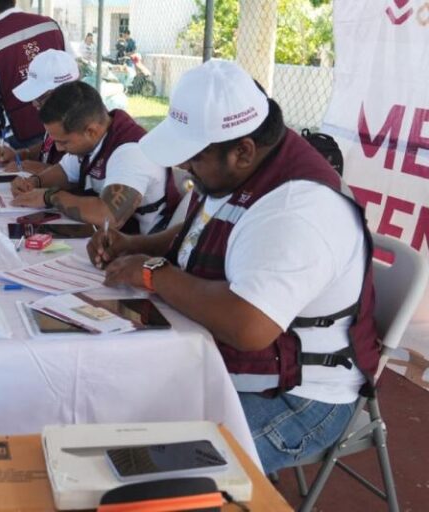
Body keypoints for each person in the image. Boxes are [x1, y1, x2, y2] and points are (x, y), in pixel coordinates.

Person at [86, 60, 381, 474]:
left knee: (136, 470)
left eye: (194, 158)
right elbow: (198, 235)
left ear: (242, 150)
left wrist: (152, 272)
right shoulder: (241, 169)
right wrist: (133, 245)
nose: (184, 167)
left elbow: (248, 326)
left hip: (297, 397)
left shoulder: (296, 208)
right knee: (97, 409)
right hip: (230, 368)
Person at [10, 81, 168, 234]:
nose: (58, 148)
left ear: (91, 131)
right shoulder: (93, 140)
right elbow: (64, 172)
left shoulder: (132, 153)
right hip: (108, 241)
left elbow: (109, 216)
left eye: (63, 142)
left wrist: (50, 196)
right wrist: (33, 182)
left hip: (145, 251)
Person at [0, 0, 67, 149]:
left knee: (29, 169)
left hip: (25, 128)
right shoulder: (49, 25)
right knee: (65, 168)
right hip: (65, 120)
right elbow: (72, 68)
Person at [0, 49, 80, 174]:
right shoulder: (60, 114)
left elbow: (79, 178)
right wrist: (21, 155)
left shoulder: (82, 121)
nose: (34, 104)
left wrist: (40, 170)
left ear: (64, 92)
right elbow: (48, 145)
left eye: (40, 97)